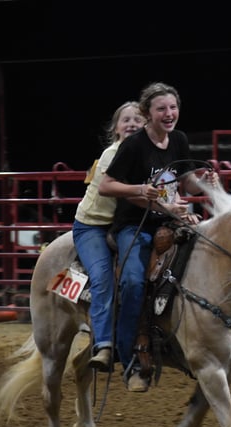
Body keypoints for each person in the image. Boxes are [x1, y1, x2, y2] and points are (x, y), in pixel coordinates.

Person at [99, 82, 231, 392]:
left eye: (173, 107)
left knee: (225, 255)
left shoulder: (178, 140)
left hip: (170, 220)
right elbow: (106, 185)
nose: (169, 113)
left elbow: (185, 183)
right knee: (132, 282)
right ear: (147, 114)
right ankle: (129, 357)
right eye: (161, 109)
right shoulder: (134, 146)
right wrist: (140, 189)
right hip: (135, 224)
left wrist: (205, 182)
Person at [72, 101, 145, 373]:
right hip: (92, 226)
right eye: (126, 120)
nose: (132, 124)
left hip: (119, 225)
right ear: (116, 128)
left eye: (138, 120)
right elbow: (123, 192)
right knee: (103, 276)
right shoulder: (111, 154)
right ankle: (103, 344)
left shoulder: (144, 155)